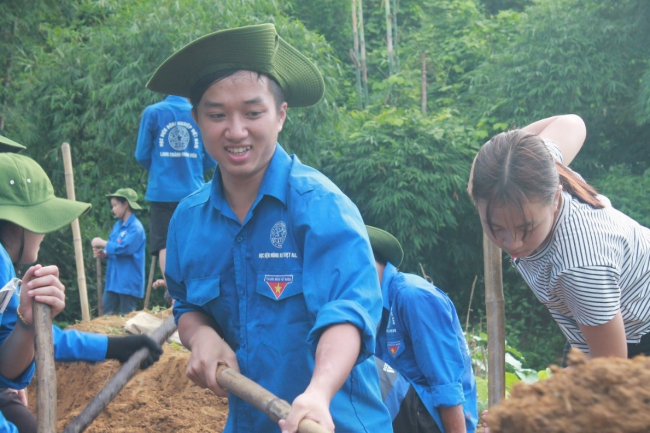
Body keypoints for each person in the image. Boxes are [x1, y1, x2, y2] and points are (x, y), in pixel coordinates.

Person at [146, 23, 392, 432]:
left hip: (330, 421)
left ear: (280, 115)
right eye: (217, 115)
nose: (236, 130)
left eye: (253, 112)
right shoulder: (187, 221)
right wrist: (202, 337)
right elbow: (187, 304)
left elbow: (347, 312)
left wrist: (318, 391)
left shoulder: (320, 207)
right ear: (196, 121)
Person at [0, 149, 162, 433]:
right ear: (19, 220)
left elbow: (15, 353)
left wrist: (112, 347)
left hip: (125, 281)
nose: (46, 231)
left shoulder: (133, 228)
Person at [469, 114, 650, 361]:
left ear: (555, 198)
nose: (512, 244)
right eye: (496, 228)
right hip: (597, 319)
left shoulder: (580, 266)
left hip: (638, 332)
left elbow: (610, 369)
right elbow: (572, 123)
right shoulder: (530, 168)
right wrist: (485, 161)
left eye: (526, 228)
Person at [368, 226, 478, 433]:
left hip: (434, 420)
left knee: (359, 365)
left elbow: (446, 380)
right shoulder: (370, 304)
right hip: (400, 417)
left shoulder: (413, 295)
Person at [134, 94, 216, 292]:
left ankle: (175, 294)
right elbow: (212, 157)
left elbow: (141, 155)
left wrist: (159, 169)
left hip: (162, 191)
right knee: (194, 239)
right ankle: (196, 289)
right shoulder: (198, 113)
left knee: (165, 243)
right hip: (193, 189)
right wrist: (194, 168)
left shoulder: (153, 112)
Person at [91, 188, 146, 315]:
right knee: (106, 316)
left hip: (128, 282)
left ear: (125, 204)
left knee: (127, 318)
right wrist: (104, 253)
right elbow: (112, 248)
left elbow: (124, 249)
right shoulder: (117, 226)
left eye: (115, 205)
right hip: (113, 281)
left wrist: (102, 242)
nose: (113, 209)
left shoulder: (136, 228)